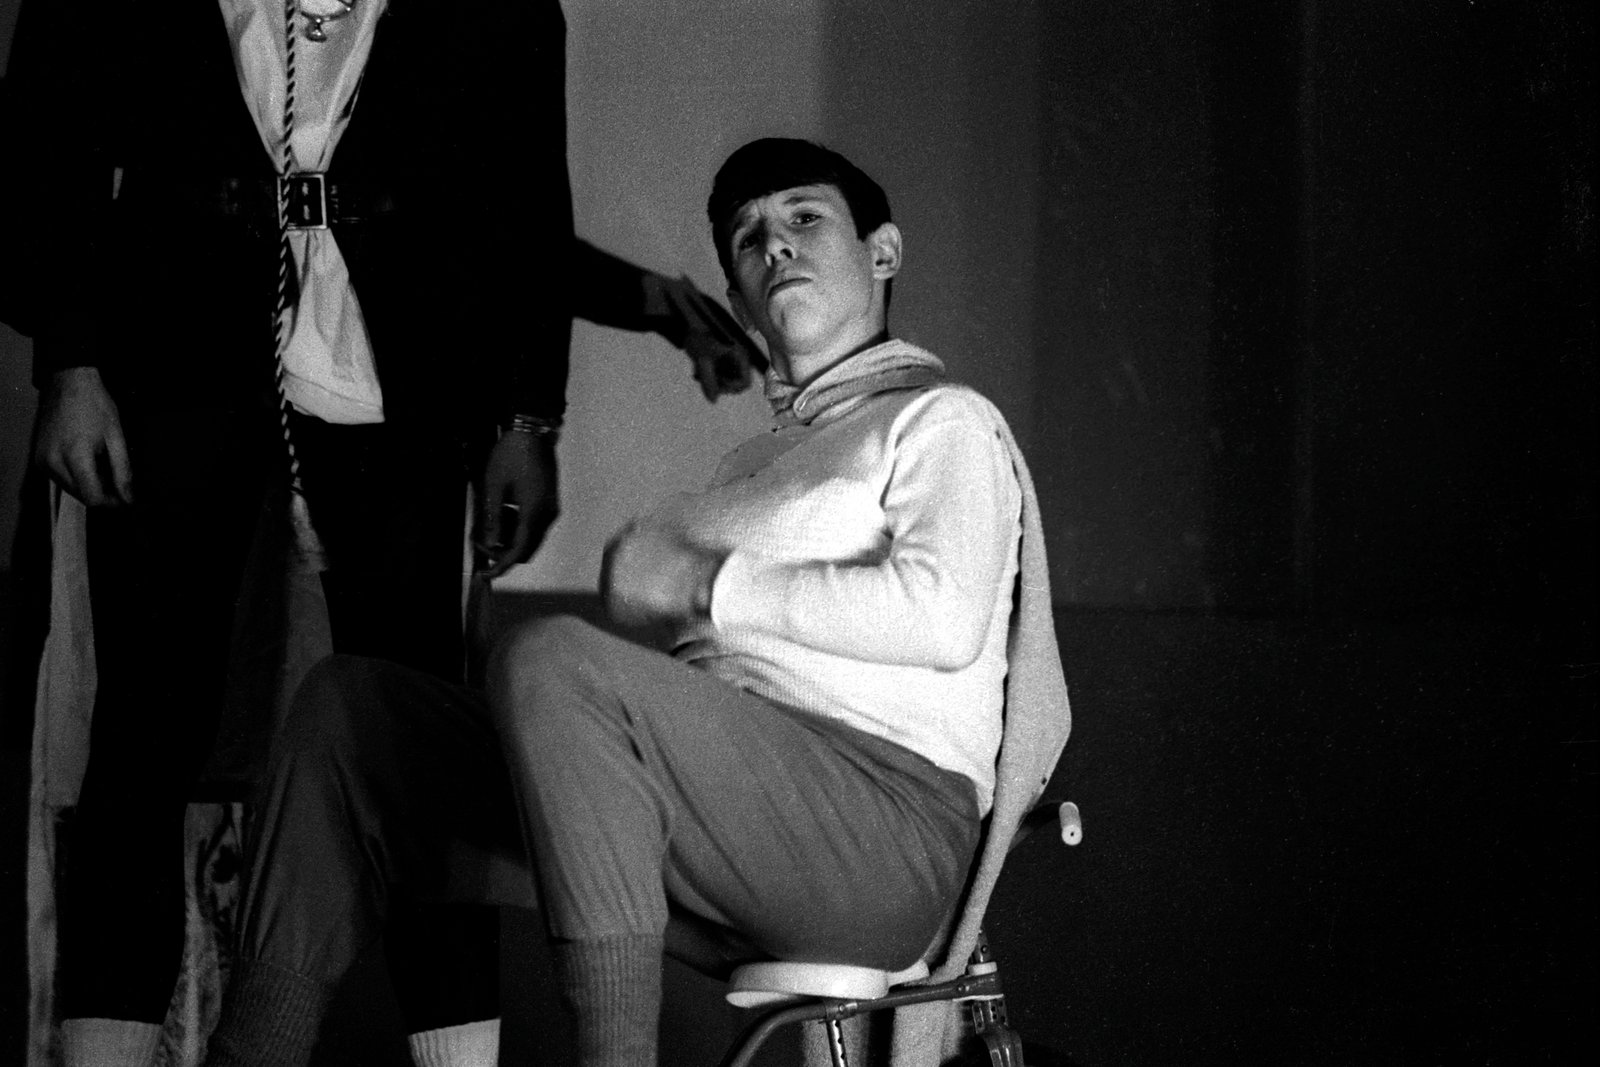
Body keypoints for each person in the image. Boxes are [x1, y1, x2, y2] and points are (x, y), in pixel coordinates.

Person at [200, 138, 1069, 1067]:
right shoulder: (752, 464)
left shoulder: (944, 421)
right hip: (722, 826)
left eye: (805, 218)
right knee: (349, 711)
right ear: (738, 301)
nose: (774, 244)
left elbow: (942, 617)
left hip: (881, 835)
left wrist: (701, 583)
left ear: (883, 251)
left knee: (552, 660)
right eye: (748, 238)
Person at [5, 2, 761, 1065]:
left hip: (394, 402)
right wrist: (71, 359)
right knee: (144, 730)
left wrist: (526, 415)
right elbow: (48, 144)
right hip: (170, 368)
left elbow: (508, 205)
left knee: (410, 741)